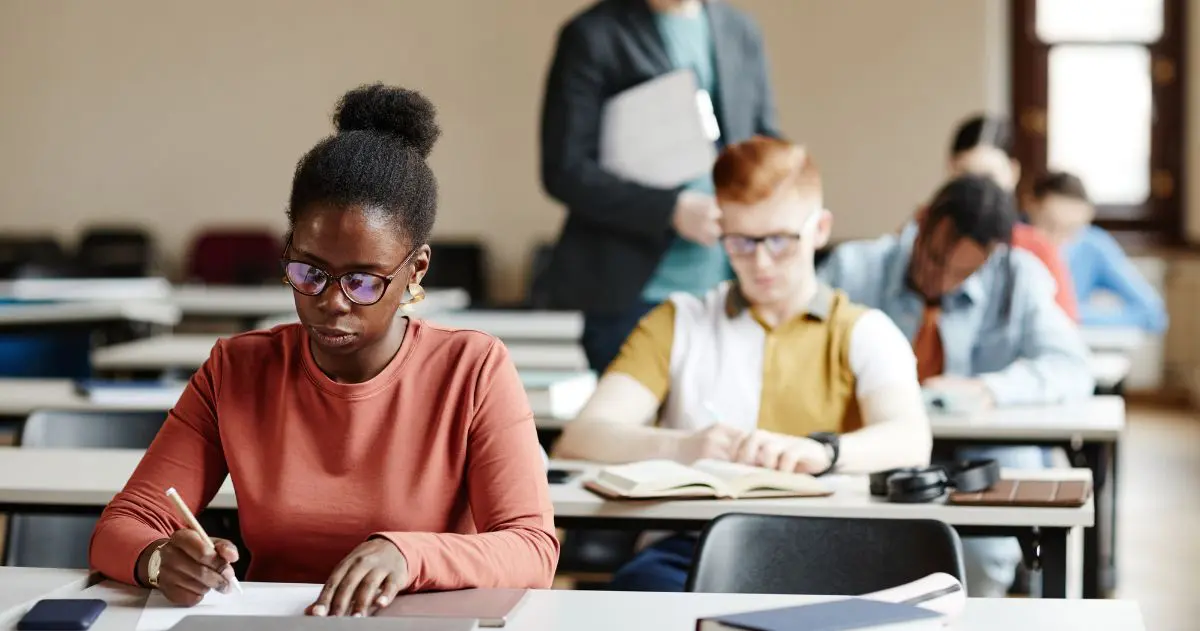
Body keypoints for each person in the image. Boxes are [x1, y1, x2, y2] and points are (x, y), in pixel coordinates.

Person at [89, 84, 559, 615]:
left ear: (416, 271)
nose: (332, 303)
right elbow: (122, 525)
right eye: (309, 272)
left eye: (363, 281)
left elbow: (532, 549)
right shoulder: (237, 368)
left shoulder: (472, 370)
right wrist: (158, 559)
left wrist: (409, 554)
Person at [555, 136, 933, 591]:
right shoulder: (679, 322)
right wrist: (684, 447)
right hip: (690, 551)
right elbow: (581, 439)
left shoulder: (865, 331)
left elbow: (911, 439)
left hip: (827, 549)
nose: (760, 262)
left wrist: (825, 452)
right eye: (740, 242)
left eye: (780, 240)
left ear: (819, 229)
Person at [818, 174, 1095, 597]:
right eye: (932, 258)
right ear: (921, 221)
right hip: (877, 449)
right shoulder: (854, 268)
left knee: (985, 557)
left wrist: (990, 388)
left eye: (963, 271)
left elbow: (1073, 366)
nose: (941, 280)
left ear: (993, 256)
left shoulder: (1018, 278)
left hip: (982, 456)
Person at [540, 0, 781, 373]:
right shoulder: (592, 35)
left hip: (732, 286)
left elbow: (766, 144)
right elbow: (565, 169)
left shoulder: (740, 30)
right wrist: (671, 210)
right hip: (631, 294)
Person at [941, 114, 1080, 322]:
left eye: (989, 177)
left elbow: (1066, 328)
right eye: (966, 176)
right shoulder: (925, 239)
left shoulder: (1036, 249)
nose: (977, 191)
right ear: (951, 170)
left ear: (1012, 173)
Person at [1025, 171, 1168, 333]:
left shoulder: (1093, 246)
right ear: (1030, 206)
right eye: (1049, 225)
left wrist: (1072, 314)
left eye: (1071, 229)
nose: (1058, 240)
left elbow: (1152, 314)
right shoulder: (1011, 244)